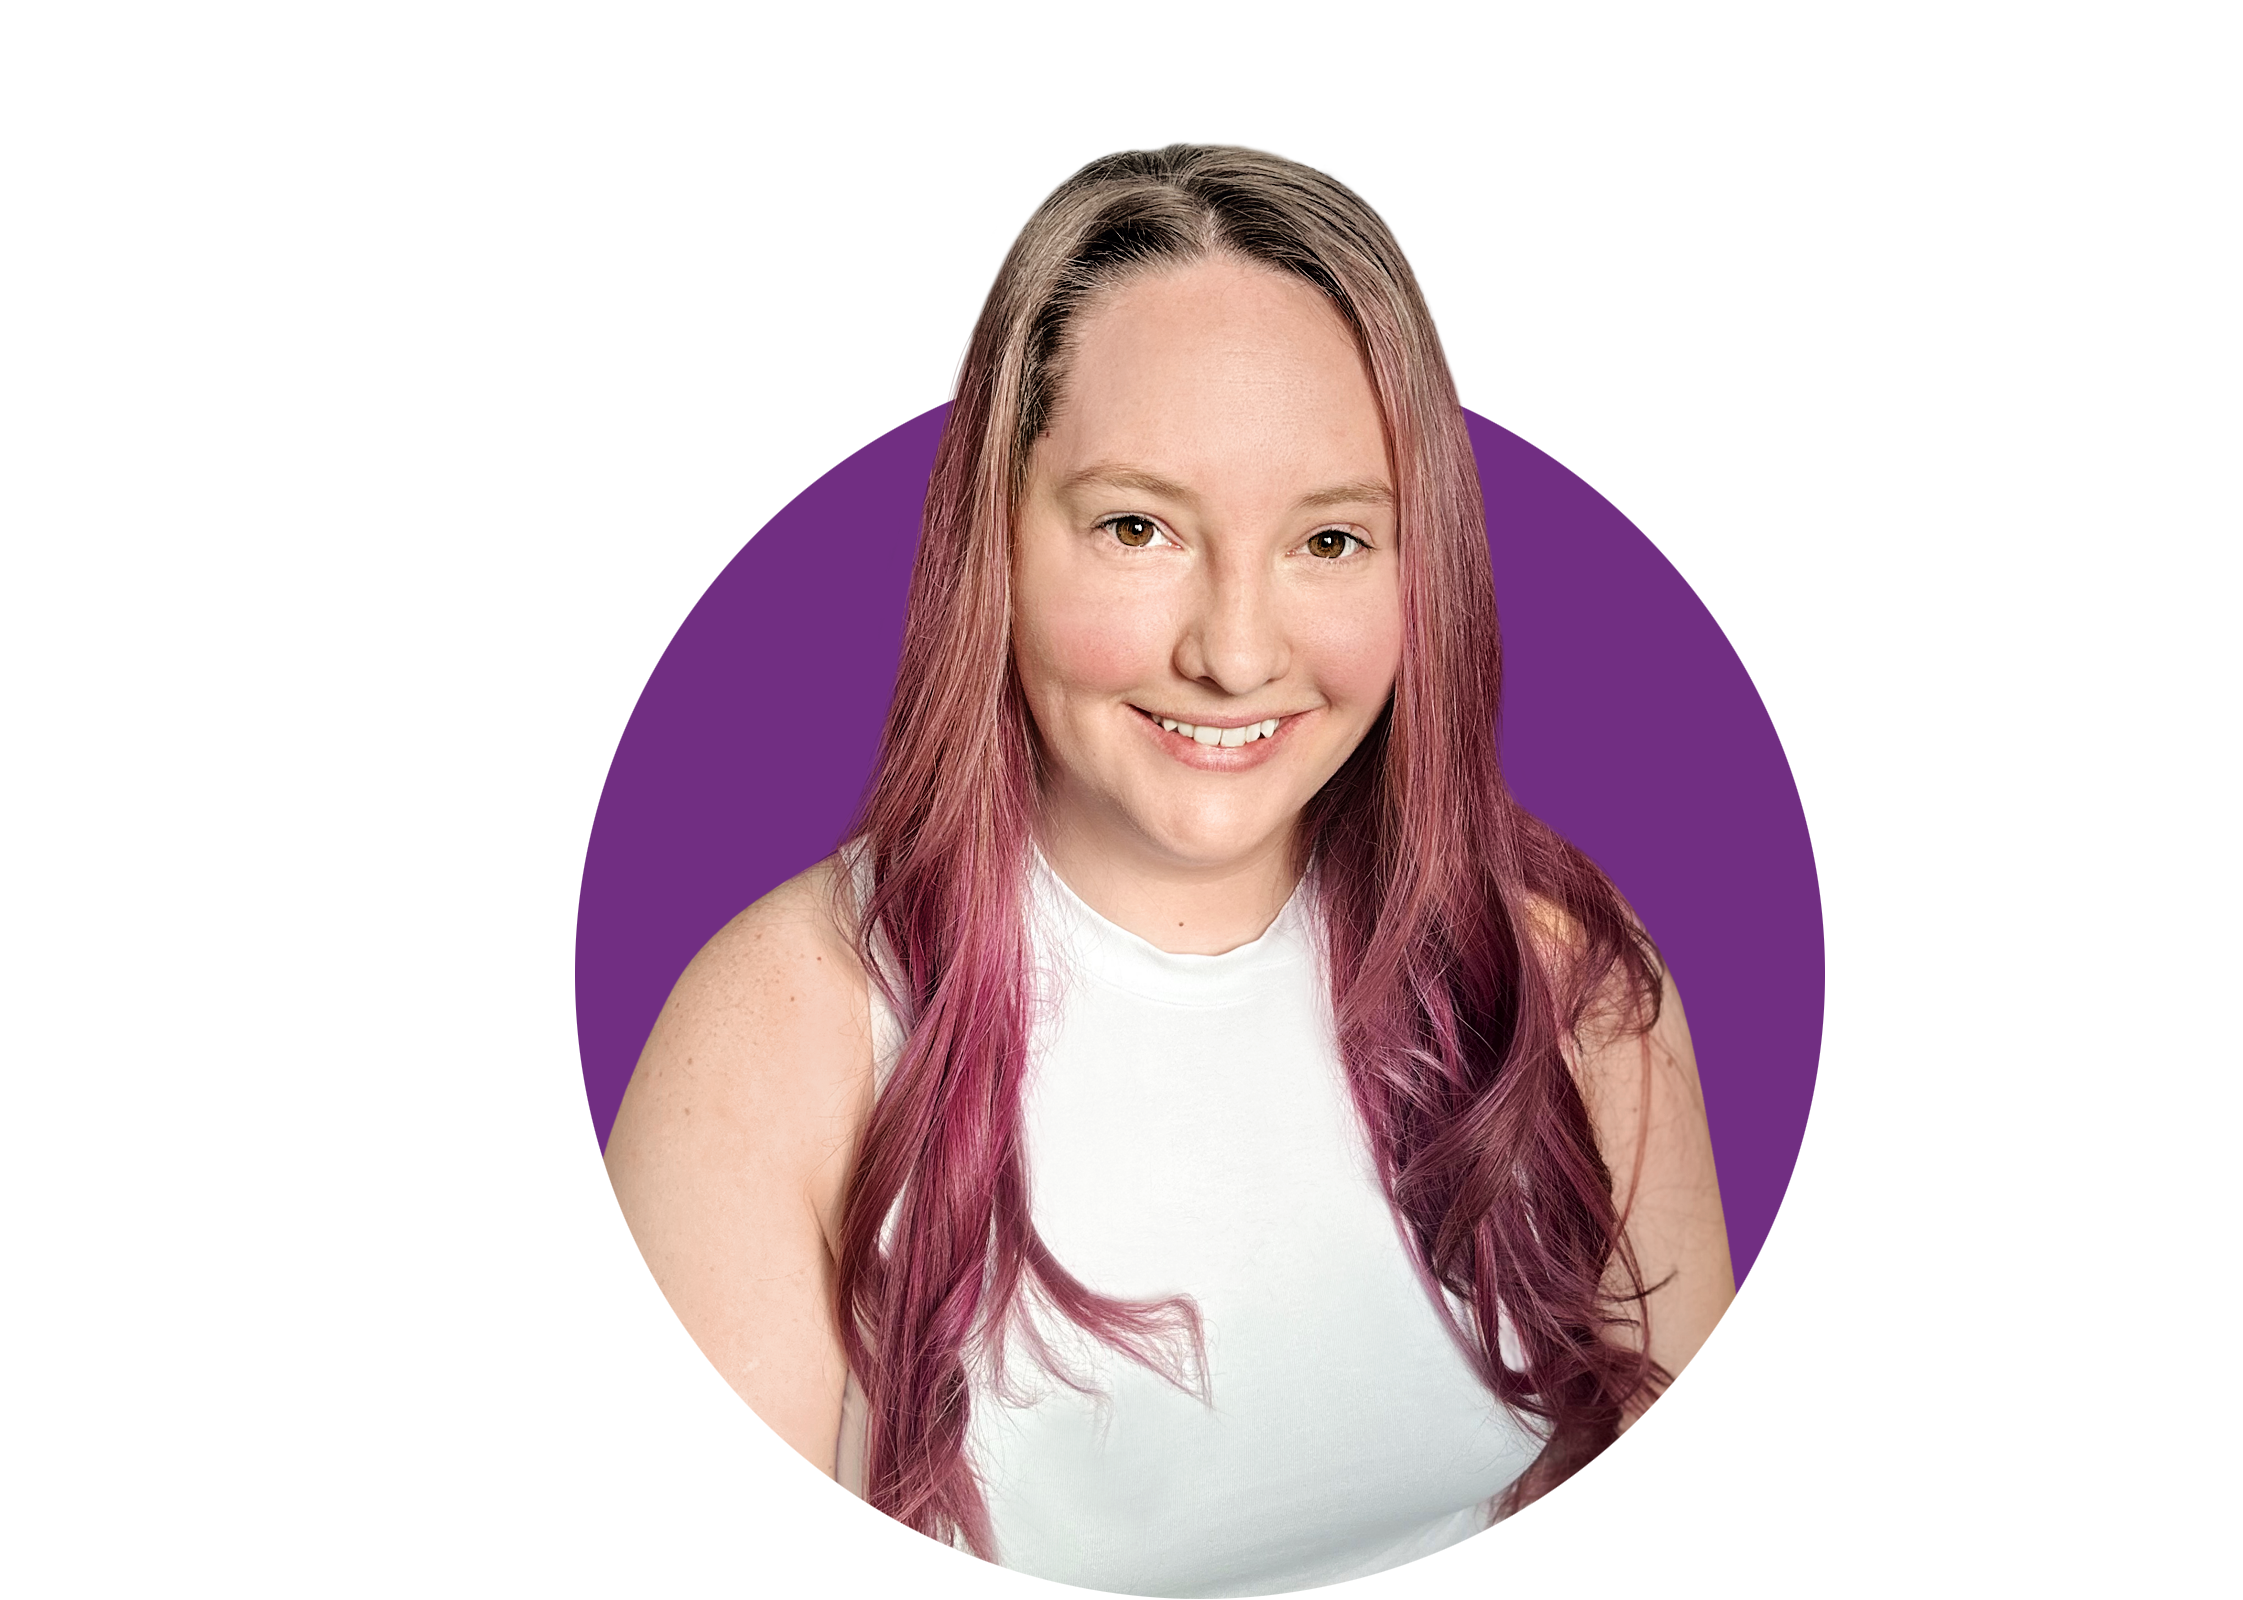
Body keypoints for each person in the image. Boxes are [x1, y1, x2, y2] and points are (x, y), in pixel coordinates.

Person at [576, 134, 1758, 1598]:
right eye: (1138, 527)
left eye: (1332, 539)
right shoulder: (781, 1036)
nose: (1237, 653)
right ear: (998, 540)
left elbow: (1678, 1533)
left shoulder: (1558, 980)